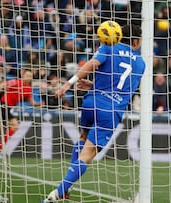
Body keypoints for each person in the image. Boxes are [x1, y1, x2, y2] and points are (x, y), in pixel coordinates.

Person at [44, 24, 145, 201]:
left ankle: (68, 187)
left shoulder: (109, 46)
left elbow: (93, 63)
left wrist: (71, 83)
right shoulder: (141, 64)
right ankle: (58, 193)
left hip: (91, 103)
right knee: (88, 154)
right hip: (110, 111)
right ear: (136, 41)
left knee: (83, 139)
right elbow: (124, 90)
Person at [0, 68, 43, 149]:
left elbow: (32, 103)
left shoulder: (28, 89)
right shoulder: (16, 82)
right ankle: (0, 147)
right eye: (27, 75)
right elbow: (0, 86)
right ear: (23, 75)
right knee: (12, 126)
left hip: (8, 108)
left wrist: (40, 104)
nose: (28, 77)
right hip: (3, 106)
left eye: (30, 76)